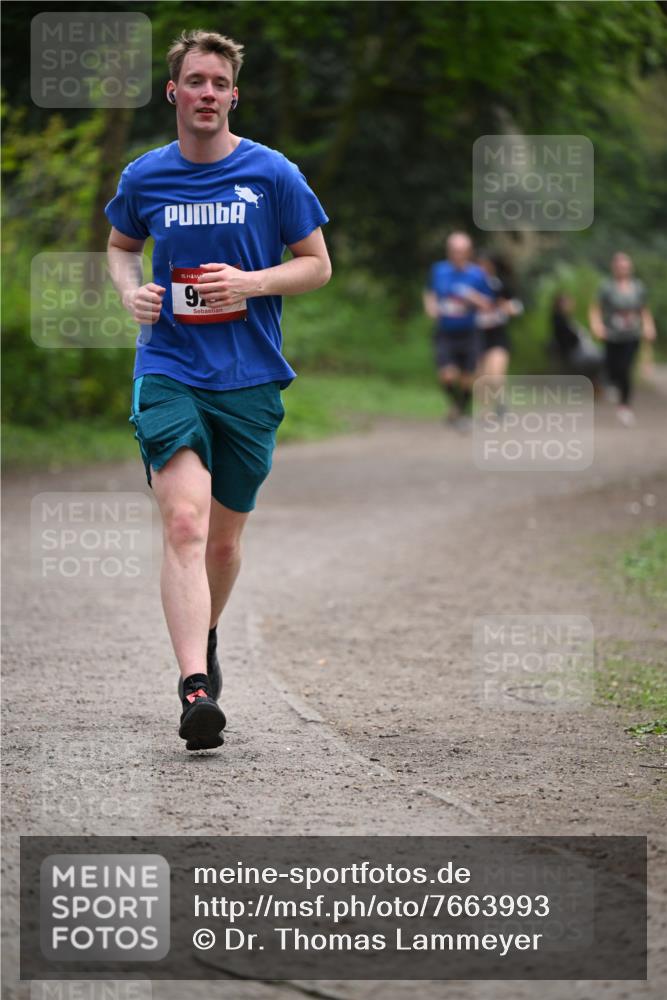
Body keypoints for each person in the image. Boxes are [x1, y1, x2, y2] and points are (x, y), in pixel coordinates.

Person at [105, 30, 331, 750]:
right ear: (174, 92)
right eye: (194, 81)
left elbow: (317, 264)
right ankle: (194, 687)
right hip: (168, 367)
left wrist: (252, 282)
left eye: (218, 84)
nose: (206, 93)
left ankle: (204, 630)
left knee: (224, 548)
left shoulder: (271, 175)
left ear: (234, 96)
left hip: (249, 379)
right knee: (182, 524)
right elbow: (119, 246)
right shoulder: (145, 176)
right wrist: (128, 292)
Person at [423, 232, 491, 429]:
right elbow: (429, 292)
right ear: (448, 252)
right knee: (447, 375)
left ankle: (460, 410)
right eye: (453, 251)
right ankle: (457, 406)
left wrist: (474, 299)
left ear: (469, 252)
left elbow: (489, 303)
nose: (457, 255)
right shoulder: (438, 270)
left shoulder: (477, 274)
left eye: (461, 251)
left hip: (469, 331)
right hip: (445, 331)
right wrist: (430, 306)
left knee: (468, 378)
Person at [589, 253, 656, 426]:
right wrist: (597, 325)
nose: (623, 269)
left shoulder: (638, 287)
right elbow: (595, 308)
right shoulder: (606, 287)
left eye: (625, 266)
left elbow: (643, 309)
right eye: (620, 267)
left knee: (626, 368)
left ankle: (624, 406)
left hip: (632, 334)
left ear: (630, 268)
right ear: (614, 268)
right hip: (612, 334)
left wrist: (648, 326)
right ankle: (610, 383)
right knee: (613, 366)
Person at [475, 252, 523, 414]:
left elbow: (517, 307)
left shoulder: (499, 285)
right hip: (475, 335)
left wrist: (507, 307)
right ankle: (485, 410)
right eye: (479, 265)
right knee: (480, 376)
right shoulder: (470, 285)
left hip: (497, 335)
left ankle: (501, 402)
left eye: (485, 265)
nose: (482, 269)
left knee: (495, 374)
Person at [550, 293, 604, 390]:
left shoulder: (566, 319)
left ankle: (597, 385)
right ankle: (597, 385)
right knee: (601, 358)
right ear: (561, 304)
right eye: (568, 302)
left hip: (578, 351)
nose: (571, 304)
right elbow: (569, 340)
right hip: (573, 353)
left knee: (601, 356)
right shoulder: (559, 321)